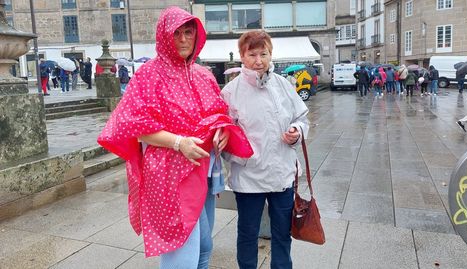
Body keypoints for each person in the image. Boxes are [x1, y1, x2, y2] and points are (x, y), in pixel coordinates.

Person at [97, 7, 252, 268]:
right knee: (182, 252)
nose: (183, 39)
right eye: (176, 33)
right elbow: (132, 125)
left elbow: (218, 112)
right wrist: (179, 143)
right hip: (170, 178)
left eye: (188, 32)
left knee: (204, 246)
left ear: (196, 35)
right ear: (164, 36)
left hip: (204, 171)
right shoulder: (149, 74)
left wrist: (222, 129)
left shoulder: (203, 74)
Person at [221, 30, 309, 269]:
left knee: (282, 234)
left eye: (264, 54)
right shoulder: (230, 92)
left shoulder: (283, 85)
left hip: (282, 174)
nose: (258, 60)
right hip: (248, 176)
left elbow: (301, 117)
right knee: (248, 234)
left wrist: (296, 132)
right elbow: (223, 134)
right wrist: (240, 156)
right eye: (252, 54)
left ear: (271, 55)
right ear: (242, 56)